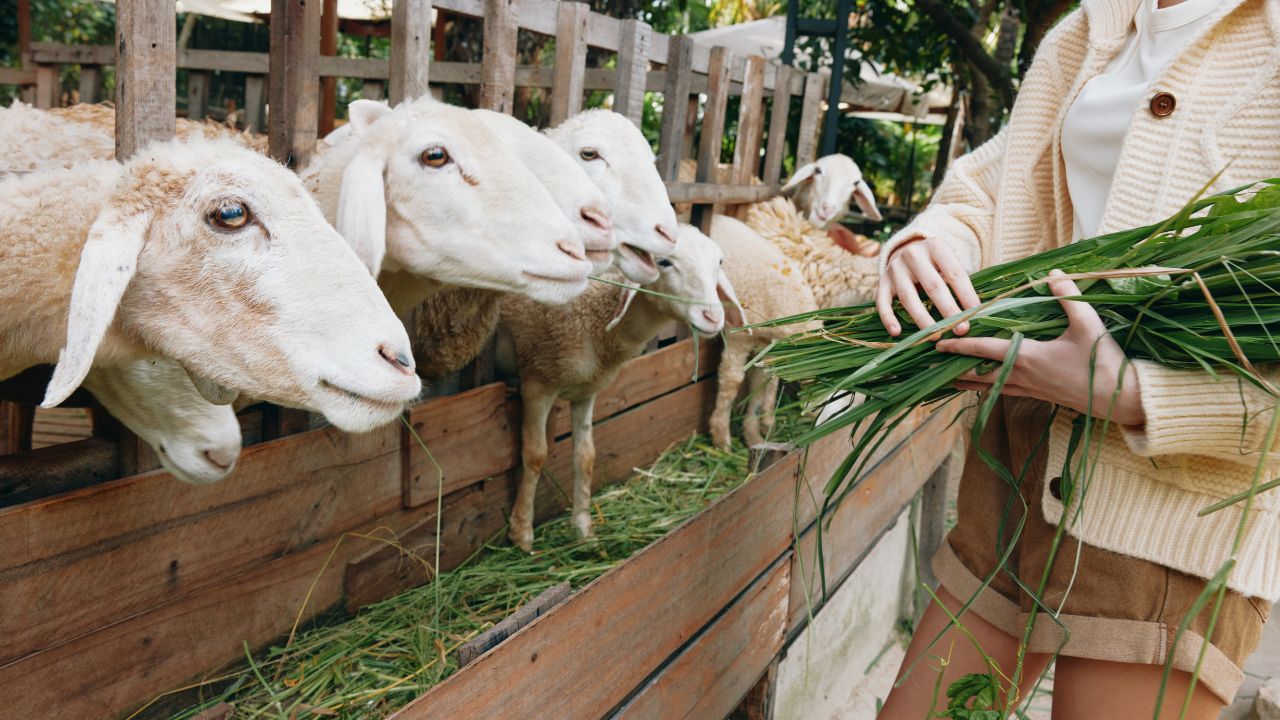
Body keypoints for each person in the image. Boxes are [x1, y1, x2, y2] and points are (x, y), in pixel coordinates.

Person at [875, 0, 1280, 717]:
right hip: (1016, 469)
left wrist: (1134, 395)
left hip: (1169, 529)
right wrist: (934, 237)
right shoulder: (1094, 25)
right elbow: (997, 181)